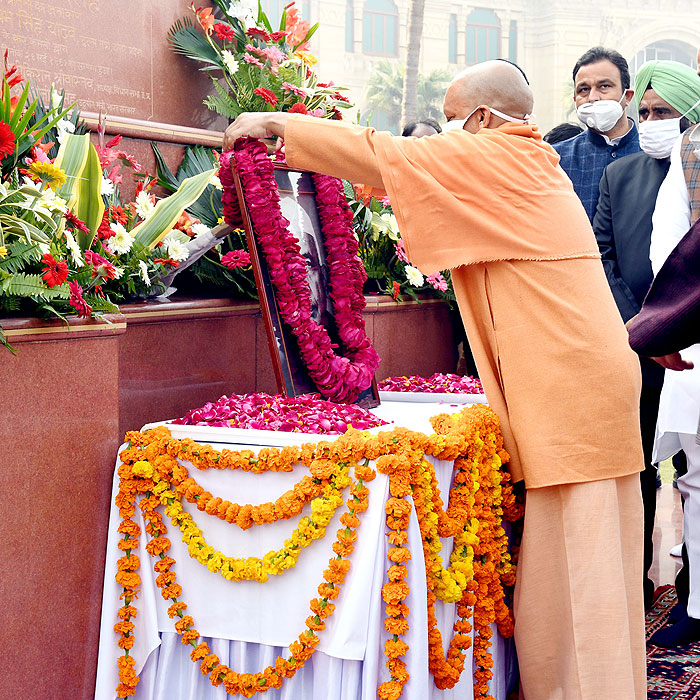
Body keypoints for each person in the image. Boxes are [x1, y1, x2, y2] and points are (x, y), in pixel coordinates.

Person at [223, 59, 646, 699]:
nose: (443, 130)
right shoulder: (527, 159)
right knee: (587, 576)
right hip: (583, 388)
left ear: (481, 119)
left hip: (575, 396)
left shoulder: (499, 156)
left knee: (577, 584)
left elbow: (384, 155)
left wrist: (278, 125)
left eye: (451, 118)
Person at [593, 58, 700, 610]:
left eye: (667, 112)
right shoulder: (621, 174)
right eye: (649, 111)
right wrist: (644, 326)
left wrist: (676, 323)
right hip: (637, 345)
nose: (655, 120)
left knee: (688, 470)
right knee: (638, 466)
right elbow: (605, 255)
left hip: (691, 344)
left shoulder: (693, 162)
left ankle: (688, 591)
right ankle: (632, 585)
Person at [643, 78, 700, 646]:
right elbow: (672, 247)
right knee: (699, 479)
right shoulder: (692, 149)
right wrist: (670, 325)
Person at [554, 46, 640, 221]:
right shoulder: (555, 159)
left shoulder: (653, 154)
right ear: (575, 100)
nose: (593, 97)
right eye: (583, 89)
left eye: (604, 86)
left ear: (627, 96)